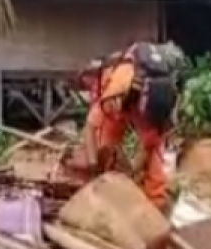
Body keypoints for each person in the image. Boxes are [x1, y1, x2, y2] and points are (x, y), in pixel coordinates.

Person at [74, 41, 184, 212]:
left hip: (142, 105)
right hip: (121, 104)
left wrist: (132, 173)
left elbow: (148, 144)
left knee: (154, 165)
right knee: (106, 148)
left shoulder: (163, 100)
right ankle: (105, 189)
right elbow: (90, 128)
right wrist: (93, 165)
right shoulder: (118, 89)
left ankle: (155, 208)